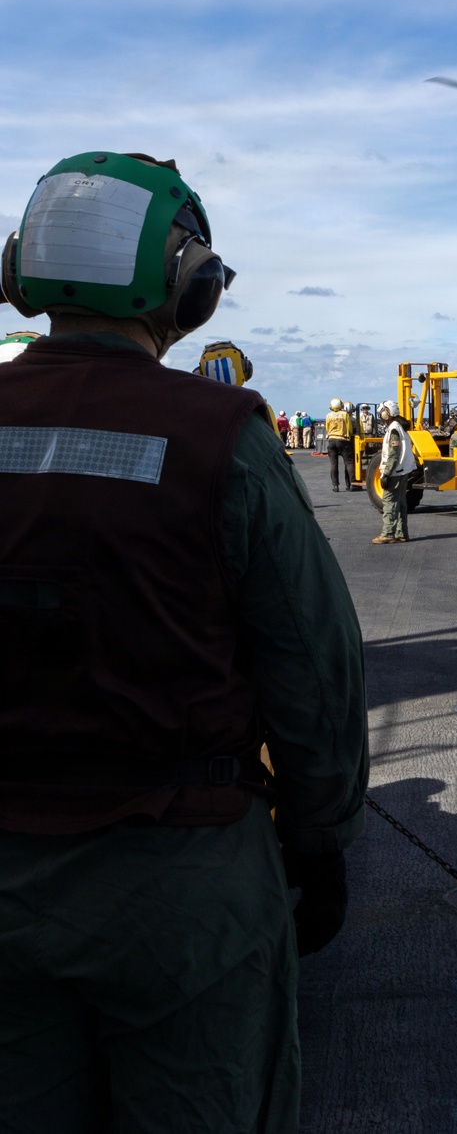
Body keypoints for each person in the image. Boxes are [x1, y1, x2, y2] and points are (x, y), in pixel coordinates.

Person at [0, 151, 369, 1132]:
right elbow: (312, 665)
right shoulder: (221, 435)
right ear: (188, 286)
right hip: (180, 876)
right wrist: (322, 840)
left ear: (19, 272)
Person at [372, 402, 415, 545]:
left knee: (389, 501)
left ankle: (388, 534)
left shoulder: (394, 429)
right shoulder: (399, 427)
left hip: (395, 471)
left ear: (386, 413)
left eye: (381, 413)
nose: (380, 416)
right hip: (403, 470)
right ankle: (401, 533)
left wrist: (386, 473)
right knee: (401, 501)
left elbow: (393, 453)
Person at [326, 396, 354, 492]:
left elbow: (327, 428)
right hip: (343, 439)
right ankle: (352, 484)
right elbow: (349, 427)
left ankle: (335, 486)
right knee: (349, 462)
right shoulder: (344, 414)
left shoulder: (328, 415)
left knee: (333, 464)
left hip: (331, 440)